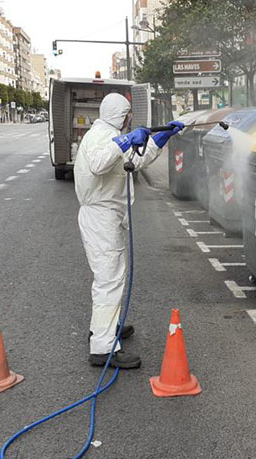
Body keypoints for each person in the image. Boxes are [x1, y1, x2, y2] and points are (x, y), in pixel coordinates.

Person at [74, 93, 183, 368]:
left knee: (111, 278)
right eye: (127, 114)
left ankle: (105, 328)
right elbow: (100, 163)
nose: (129, 119)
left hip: (108, 217)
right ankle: (102, 347)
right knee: (109, 280)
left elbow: (134, 160)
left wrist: (162, 138)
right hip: (100, 217)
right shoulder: (100, 137)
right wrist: (125, 139)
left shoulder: (108, 134)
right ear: (119, 115)